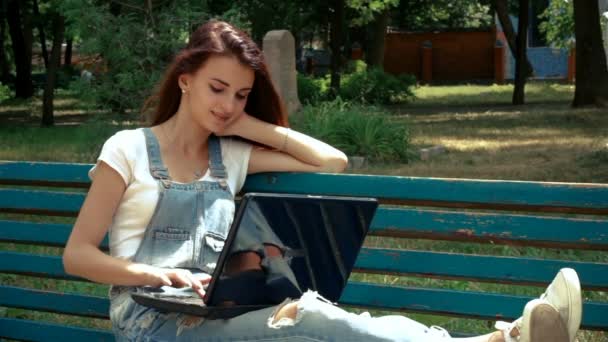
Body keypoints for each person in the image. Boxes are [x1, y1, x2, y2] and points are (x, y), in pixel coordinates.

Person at [62, 20, 582, 342]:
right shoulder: (128, 148)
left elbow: (331, 162)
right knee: (306, 319)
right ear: (185, 80)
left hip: (222, 312)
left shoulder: (233, 157)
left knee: (309, 324)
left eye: (241, 94)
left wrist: (249, 125)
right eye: (218, 89)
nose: (228, 104)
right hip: (149, 322)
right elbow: (78, 255)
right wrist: (162, 277)